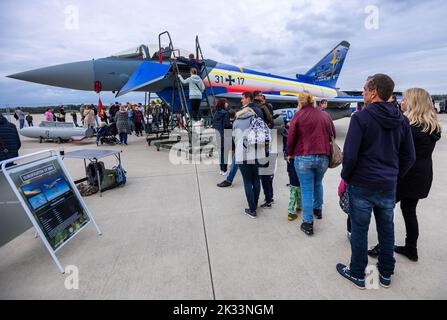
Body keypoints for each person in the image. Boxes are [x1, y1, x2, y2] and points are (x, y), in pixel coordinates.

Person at [336, 74, 416, 290]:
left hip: (362, 183)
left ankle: (358, 274)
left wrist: (346, 177)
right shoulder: (402, 119)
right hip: (387, 184)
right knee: (386, 228)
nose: (362, 92)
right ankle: (385, 273)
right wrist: (395, 176)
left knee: (360, 230)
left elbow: (350, 156)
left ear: (374, 92)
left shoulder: (361, 118)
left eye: (364, 89)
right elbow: (410, 156)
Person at [368, 88, 442, 262]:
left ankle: (384, 246)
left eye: (405, 99)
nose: (402, 102)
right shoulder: (432, 127)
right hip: (422, 176)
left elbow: (397, 151)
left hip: (405, 176)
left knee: (384, 211)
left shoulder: (408, 127)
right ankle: (411, 248)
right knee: (409, 211)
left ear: (413, 103)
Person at [287, 90, 335, 236]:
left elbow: (291, 137)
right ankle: (317, 210)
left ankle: (308, 223)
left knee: (306, 189)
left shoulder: (298, 115)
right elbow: (332, 132)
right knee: (318, 183)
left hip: (303, 156)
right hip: (323, 156)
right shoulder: (324, 114)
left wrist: (289, 153)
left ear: (300, 102)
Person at [233, 93, 267, 218]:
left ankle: (252, 209)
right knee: (256, 179)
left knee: (247, 181)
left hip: (242, 155)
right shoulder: (255, 118)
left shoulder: (236, 122)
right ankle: (255, 203)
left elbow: (234, 138)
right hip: (256, 153)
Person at [281, 120, 302, 220]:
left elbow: (286, 153)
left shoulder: (288, 139)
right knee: (297, 189)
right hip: (298, 166)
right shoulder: (300, 139)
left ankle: (298, 207)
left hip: (291, 166)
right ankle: (290, 211)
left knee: (295, 188)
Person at [217, 109, 238, 187]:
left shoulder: (218, 114)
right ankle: (225, 170)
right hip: (228, 137)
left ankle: (223, 170)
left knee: (225, 153)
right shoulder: (226, 115)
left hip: (223, 136)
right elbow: (227, 125)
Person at [213, 98, 232, 175]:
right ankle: (225, 170)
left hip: (218, 134)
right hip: (224, 135)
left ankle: (221, 170)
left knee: (221, 153)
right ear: (223, 104)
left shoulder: (216, 113)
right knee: (225, 153)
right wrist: (233, 125)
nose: (227, 104)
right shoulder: (225, 113)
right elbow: (226, 125)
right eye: (226, 102)